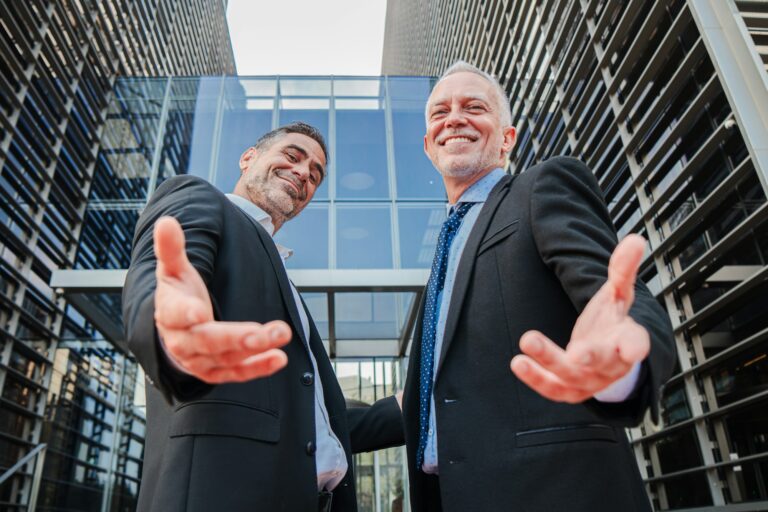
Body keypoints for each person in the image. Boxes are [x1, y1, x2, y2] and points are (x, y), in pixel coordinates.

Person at [399, 62, 676, 511]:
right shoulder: (443, 250)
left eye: (474, 107)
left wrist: (623, 357)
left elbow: (616, 296)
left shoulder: (540, 187)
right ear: (430, 146)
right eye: (440, 113)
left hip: (555, 493)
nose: (454, 118)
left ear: (507, 139)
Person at [122, 122, 403, 512]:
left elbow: (311, 426)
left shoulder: (286, 282)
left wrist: (402, 409)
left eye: (316, 174)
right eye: (292, 155)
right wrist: (170, 330)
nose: (305, 172)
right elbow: (162, 276)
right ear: (248, 158)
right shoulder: (200, 199)